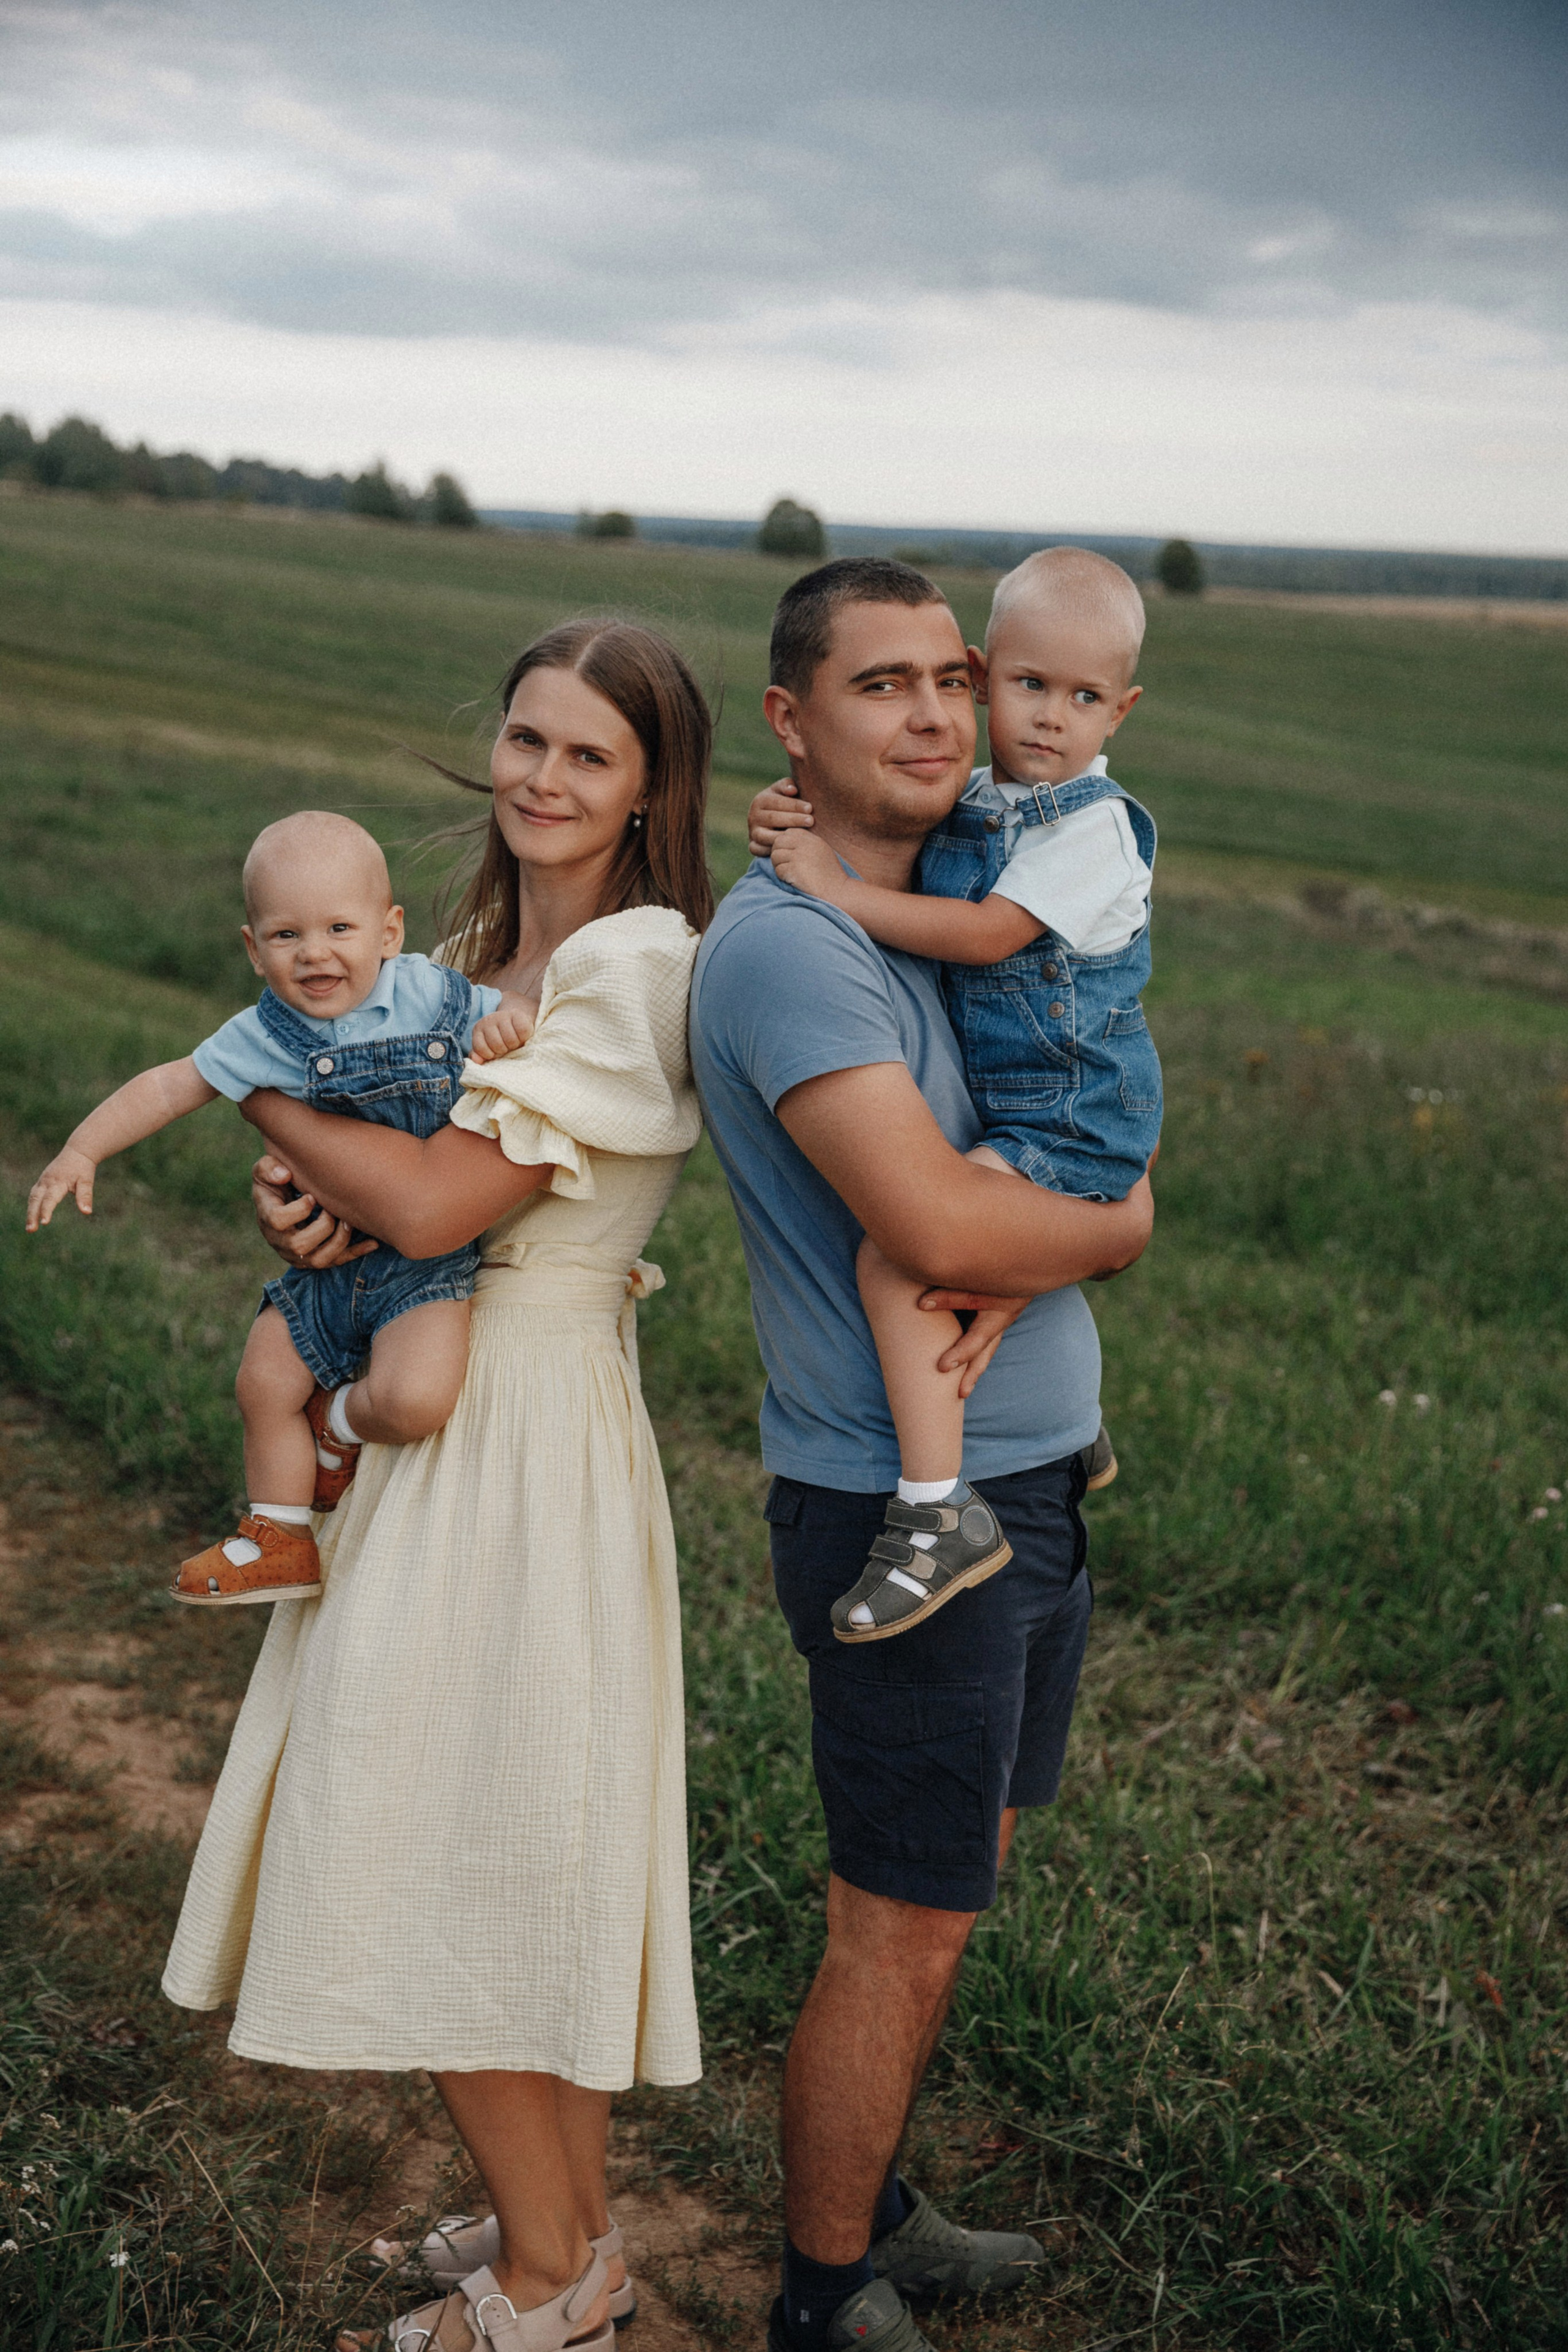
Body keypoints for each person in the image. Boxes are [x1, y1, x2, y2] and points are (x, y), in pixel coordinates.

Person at [162, 619, 715, 2352]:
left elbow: (432, 1208)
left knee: (435, 1826)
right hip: (452, 1401)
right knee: (497, 1822)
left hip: (530, 1426)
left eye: (590, 756)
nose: (545, 778)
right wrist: (310, 1207)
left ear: (648, 793)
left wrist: (265, 1098)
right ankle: (572, 2233)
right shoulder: (463, 950)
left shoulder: (637, 966)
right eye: (527, 738)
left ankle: (555, 2285)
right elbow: (384, 1206)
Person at [688, 558, 1152, 2352]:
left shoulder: (954, 879)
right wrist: (1117, 1231)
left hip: (1032, 1483)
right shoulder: (798, 947)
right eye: (882, 685)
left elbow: (1079, 1087)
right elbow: (940, 1227)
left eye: (953, 679)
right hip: (901, 1508)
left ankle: (879, 2202)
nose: (942, 715)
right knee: (899, 1925)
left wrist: (1102, 1197)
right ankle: (822, 2289)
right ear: (794, 721)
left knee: (955, 1890)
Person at [747, 548, 1160, 1642]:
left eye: (1082, 699)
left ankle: (967, 1503)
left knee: (999, 1809)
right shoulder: (968, 822)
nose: (1047, 719)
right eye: (884, 687)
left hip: (1071, 1122)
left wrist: (1088, 1229)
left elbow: (985, 934)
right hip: (919, 1467)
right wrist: (791, 823)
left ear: (1120, 710)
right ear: (998, 677)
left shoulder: (1088, 826)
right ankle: (937, 1514)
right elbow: (944, 1234)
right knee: (904, 1258)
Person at [25, 810, 533, 1609]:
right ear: (254, 950)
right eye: (287, 935)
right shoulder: (263, 1034)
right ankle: (277, 1533)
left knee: (415, 1398)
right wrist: (82, 1151)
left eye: (339, 927)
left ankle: (341, 1427)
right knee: (262, 1381)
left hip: (426, 1266)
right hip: (328, 1267)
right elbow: (167, 1085)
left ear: (389, 931)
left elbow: (510, 1014)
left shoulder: (433, 995)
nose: (316, 953)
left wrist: (511, 1021)